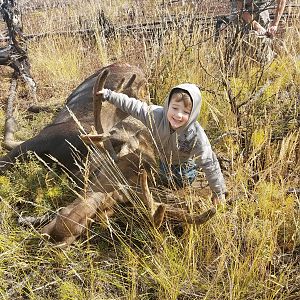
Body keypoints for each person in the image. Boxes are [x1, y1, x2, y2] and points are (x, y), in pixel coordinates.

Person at [97, 83, 227, 206]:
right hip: (162, 163)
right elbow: (133, 106)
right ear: (167, 105)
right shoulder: (155, 115)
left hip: (183, 170)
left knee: (178, 183)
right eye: (175, 108)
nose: (178, 115)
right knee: (156, 179)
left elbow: (209, 163)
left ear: (193, 114)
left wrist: (218, 192)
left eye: (186, 112)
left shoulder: (196, 135)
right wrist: (108, 94)